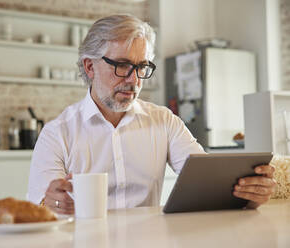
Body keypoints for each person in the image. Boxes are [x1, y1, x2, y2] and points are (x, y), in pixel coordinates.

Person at [27, 14, 276, 214]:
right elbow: (39, 210)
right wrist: (51, 203)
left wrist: (249, 195)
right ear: (90, 66)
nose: (134, 80)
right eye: (123, 65)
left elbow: (207, 182)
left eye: (142, 66)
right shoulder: (57, 133)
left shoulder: (163, 121)